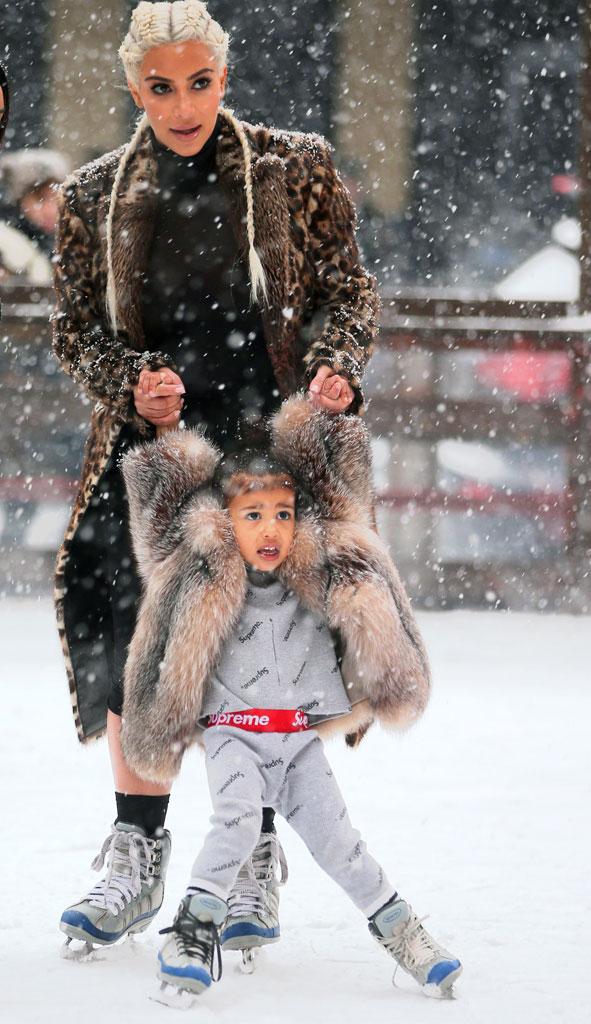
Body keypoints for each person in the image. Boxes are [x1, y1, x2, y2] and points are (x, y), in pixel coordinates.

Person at [53, 0, 380, 956]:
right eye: (161, 86)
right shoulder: (92, 195)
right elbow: (75, 331)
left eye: (199, 82)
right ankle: (139, 845)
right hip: (146, 455)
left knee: (257, 644)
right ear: (133, 86)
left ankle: (249, 853)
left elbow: (345, 289)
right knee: (129, 638)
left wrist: (336, 363)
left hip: (257, 447)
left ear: (224, 77)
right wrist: (129, 384)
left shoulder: (293, 167)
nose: (183, 102)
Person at [118, 394, 461, 999]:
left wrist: (324, 418)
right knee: (238, 821)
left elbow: (343, 496)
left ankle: (402, 929)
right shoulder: (197, 571)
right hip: (234, 737)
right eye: (251, 515)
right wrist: (164, 428)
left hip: (297, 743)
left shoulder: (320, 568)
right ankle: (193, 931)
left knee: (343, 845)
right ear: (224, 520)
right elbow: (160, 506)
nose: (270, 527)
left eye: (283, 512)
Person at [0, 148, 69, 283]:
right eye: (40, 198)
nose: (51, 209)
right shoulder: (6, 250)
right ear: (16, 201)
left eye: (57, 198)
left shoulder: (68, 245)